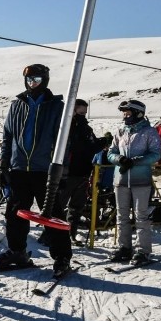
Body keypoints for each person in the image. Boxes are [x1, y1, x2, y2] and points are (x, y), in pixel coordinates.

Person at [0, 64, 72, 278]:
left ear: (44, 80)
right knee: (14, 214)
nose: (31, 83)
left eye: (35, 79)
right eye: (28, 79)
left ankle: (62, 257)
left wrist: (62, 172)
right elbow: (7, 137)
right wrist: (3, 164)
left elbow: (64, 141)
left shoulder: (56, 106)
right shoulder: (17, 105)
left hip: (45, 170)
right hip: (19, 168)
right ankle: (18, 252)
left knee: (53, 214)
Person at [107, 99, 161, 265]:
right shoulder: (120, 131)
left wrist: (136, 161)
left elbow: (156, 154)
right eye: (124, 113)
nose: (125, 116)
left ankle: (143, 250)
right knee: (121, 215)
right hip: (121, 180)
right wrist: (120, 159)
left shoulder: (149, 132)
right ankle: (124, 247)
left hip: (141, 181)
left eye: (128, 113)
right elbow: (111, 153)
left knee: (141, 216)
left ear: (138, 113)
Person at [59, 99, 105, 241]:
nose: (83, 116)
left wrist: (103, 142)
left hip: (84, 172)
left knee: (76, 207)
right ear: (72, 111)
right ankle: (52, 235)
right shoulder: (65, 127)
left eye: (85, 113)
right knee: (59, 206)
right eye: (80, 113)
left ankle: (70, 234)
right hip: (68, 173)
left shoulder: (86, 128)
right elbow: (76, 147)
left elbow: (92, 146)